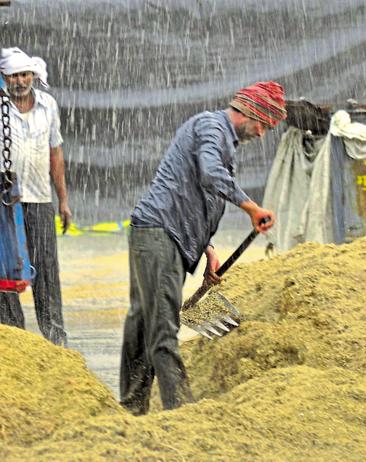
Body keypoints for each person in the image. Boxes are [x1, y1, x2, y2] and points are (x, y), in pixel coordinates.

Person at [119, 81, 285, 415]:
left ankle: (132, 408)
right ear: (251, 111)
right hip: (159, 234)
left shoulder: (219, 137)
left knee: (143, 321)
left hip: (162, 235)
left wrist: (206, 249)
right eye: (264, 124)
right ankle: (182, 414)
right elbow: (210, 174)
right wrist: (251, 207)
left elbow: (198, 197)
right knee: (162, 329)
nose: (263, 133)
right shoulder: (212, 127)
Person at [0, 47, 71, 346]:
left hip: (41, 199)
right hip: (5, 202)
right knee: (5, 268)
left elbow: (55, 152)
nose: (21, 80)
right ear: (4, 77)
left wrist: (63, 200)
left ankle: (56, 339)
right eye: (14, 75)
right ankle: (14, 337)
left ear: (33, 75)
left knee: (46, 269)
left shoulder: (48, 105)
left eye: (25, 74)